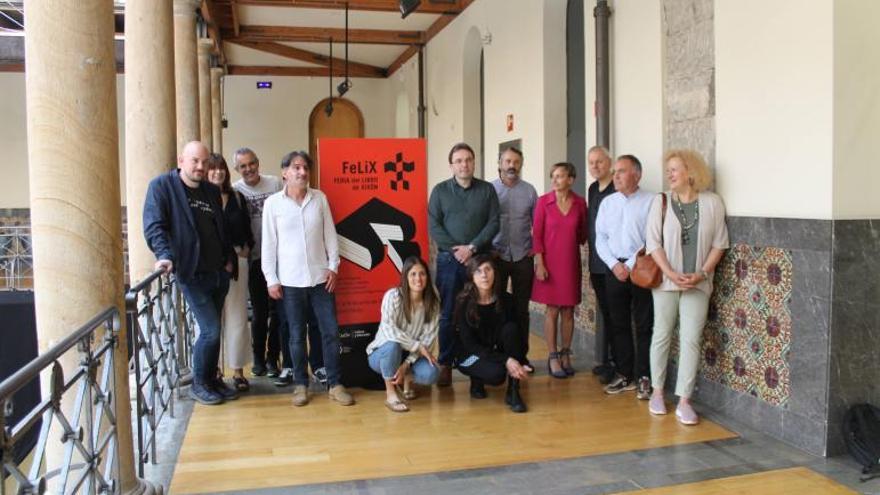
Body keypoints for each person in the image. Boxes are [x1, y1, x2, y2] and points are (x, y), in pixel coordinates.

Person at [143, 141, 237, 405]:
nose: (200, 166)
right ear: (181, 160)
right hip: (191, 273)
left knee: (213, 329)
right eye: (194, 161)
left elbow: (220, 228)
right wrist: (163, 255)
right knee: (210, 330)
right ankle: (199, 384)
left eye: (204, 162)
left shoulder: (210, 190)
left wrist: (228, 259)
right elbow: (154, 226)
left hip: (218, 273)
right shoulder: (162, 187)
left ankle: (211, 378)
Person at [261, 150, 354, 407]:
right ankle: (300, 384)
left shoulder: (319, 198)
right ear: (284, 173)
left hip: (320, 278)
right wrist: (271, 278)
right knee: (295, 335)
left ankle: (335, 384)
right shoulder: (273, 204)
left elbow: (330, 236)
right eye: (296, 168)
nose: (302, 172)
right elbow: (269, 245)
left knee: (330, 332)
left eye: (305, 168)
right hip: (289, 282)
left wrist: (334, 266)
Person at [646, 149, 728, 425]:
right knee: (662, 333)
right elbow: (653, 243)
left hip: (699, 282)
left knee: (691, 338)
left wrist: (703, 273)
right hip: (666, 281)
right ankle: (657, 392)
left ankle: (684, 400)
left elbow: (719, 242)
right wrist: (670, 273)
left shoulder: (712, 203)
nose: (669, 174)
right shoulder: (661, 202)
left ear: (691, 173)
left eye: (674, 169)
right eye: (668, 169)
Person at [428, 142, 500, 386]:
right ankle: (446, 363)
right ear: (451, 165)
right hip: (449, 261)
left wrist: (471, 248)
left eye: (468, 159)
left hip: (479, 260)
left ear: (474, 162)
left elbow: (493, 223)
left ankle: (479, 363)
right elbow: (433, 225)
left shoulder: (487, 190)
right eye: (458, 160)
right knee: (448, 314)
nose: (464, 164)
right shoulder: (439, 191)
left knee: (479, 311)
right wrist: (455, 250)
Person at [595, 155, 655, 398]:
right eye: (615, 171)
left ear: (637, 175)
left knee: (643, 325)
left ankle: (644, 377)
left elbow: (653, 237)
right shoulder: (608, 203)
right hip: (614, 271)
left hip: (641, 269)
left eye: (621, 171)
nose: (616, 176)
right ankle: (624, 374)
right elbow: (600, 237)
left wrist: (629, 265)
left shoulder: (651, 201)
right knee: (618, 324)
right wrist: (613, 264)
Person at [531, 162, 588, 379]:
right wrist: (540, 263)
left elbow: (583, 233)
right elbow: (537, 235)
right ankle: (552, 355)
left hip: (570, 263)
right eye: (553, 176)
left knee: (568, 311)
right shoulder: (543, 202)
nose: (555, 180)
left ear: (571, 180)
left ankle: (566, 354)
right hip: (549, 264)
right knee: (552, 310)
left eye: (560, 176)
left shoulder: (580, 204)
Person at [454, 254, 529, 413]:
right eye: (478, 271)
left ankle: (513, 391)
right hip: (469, 355)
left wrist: (519, 360)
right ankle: (476, 379)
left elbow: (517, 338)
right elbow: (470, 345)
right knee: (496, 375)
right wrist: (506, 360)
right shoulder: (464, 302)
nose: (484, 275)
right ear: (472, 276)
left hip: (493, 350)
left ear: (495, 273)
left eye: (488, 269)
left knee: (511, 329)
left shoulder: (506, 300)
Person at [233, 147, 283, 377]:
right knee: (260, 313)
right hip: (254, 261)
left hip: (279, 259)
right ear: (237, 169)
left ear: (258, 163)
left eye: (251, 163)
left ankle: (274, 359)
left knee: (278, 313)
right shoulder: (235, 190)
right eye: (243, 166)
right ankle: (258, 359)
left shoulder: (274, 184)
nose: (248, 169)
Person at [366, 256, 441, 412]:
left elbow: (427, 340)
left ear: (427, 276)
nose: (418, 279)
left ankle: (406, 378)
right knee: (393, 345)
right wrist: (417, 346)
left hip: (410, 356)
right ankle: (391, 393)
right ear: (405, 277)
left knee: (432, 373)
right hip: (382, 354)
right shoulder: (393, 296)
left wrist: (406, 364)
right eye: (413, 274)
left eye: (422, 274)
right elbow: (389, 331)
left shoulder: (433, 302)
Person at [206, 153, 254, 391]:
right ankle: (212, 371)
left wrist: (246, 249)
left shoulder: (237, 196)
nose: (217, 172)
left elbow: (246, 226)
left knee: (236, 318)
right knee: (212, 320)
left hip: (237, 263)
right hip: (209, 266)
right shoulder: (201, 198)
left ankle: (237, 371)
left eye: (221, 168)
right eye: (212, 168)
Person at [491, 146, 538, 373]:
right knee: (496, 306)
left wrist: (535, 250)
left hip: (522, 257)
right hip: (496, 256)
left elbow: (538, 224)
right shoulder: (489, 190)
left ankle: (521, 356)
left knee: (522, 309)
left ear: (521, 165)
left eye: (516, 162)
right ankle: (500, 355)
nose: (512, 166)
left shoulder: (529, 191)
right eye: (507, 161)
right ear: (500, 163)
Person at [586, 146, 617, 384]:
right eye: (592, 163)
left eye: (600, 162)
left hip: (614, 264)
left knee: (616, 315)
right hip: (597, 262)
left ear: (610, 162)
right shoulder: (593, 188)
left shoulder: (618, 188)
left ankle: (618, 364)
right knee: (606, 312)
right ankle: (606, 360)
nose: (595, 167)